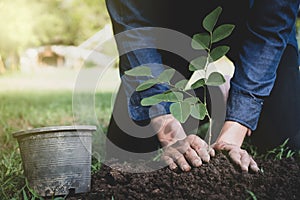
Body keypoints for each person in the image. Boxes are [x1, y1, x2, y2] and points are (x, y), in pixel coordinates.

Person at [104, 0, 300, 172]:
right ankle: (215, 93)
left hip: (255, 18)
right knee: (130, 144)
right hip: (170, 19)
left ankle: (229, 100)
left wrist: (234, 131)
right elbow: (132, 23)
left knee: (284, 135)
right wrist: (167, 127)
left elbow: (271, 30)